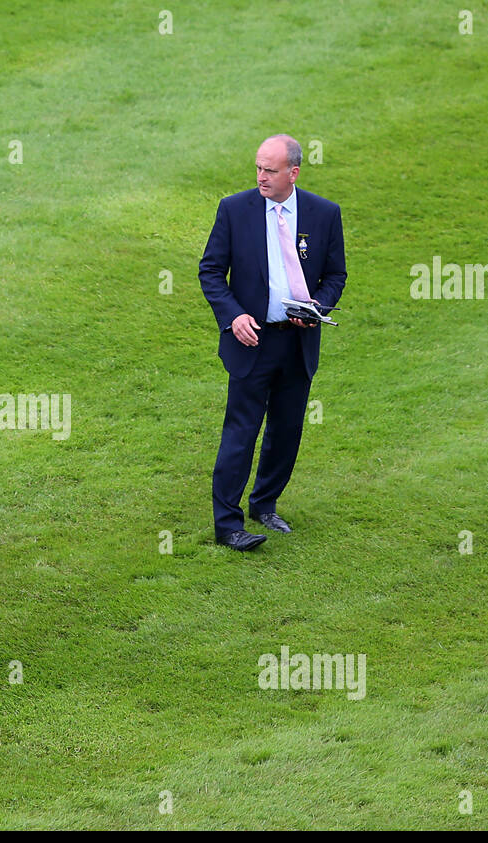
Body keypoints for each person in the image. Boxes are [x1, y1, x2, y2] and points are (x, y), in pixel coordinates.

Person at [198, 134, 347, 550]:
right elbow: (211, 271)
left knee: (286, 430)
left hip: (297, 342)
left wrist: (318, 306)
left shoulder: (323, 213)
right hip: (252, 341)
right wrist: (234, 317)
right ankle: (228, 525)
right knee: (241, 432)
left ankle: (265, 503)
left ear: (293, 173)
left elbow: (336, 275)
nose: (261, 177)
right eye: (259, 168)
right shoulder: (234, 210)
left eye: (270, 170)